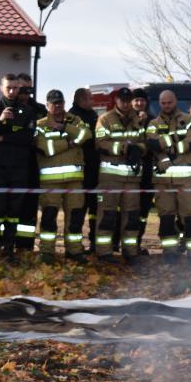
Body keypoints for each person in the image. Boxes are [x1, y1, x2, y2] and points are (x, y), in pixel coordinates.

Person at [0, 74, 37, 257]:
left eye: (15, 88)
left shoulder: (27, 111)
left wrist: (4, 137)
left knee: (14, 210)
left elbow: (28, 138)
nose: (12, 91)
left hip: (19, 167)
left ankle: (9, 249)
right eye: (9, 88)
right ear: (1, 88)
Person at [34, 89, 91, 262]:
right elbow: (46, 149)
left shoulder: (74, 120)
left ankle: (74, 251)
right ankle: (47, 252)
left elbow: (87, 135)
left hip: (74, 181)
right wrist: (70, 142)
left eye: (60, 103)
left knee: (74, 218)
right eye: (54, 103)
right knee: (49, 218)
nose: (58, 106)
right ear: (47, 105)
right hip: (51, 182)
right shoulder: (41, 124)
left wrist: (66, 128)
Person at [146, 92, 191, 262]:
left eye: (169, 102)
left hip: (185, 179)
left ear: (175, 101)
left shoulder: (189, 119)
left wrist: (169, 148)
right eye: (163, 103)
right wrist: (175, 145)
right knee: (166, 218)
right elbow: (152, 143)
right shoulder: (152, 123)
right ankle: (169, 253)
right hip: (162, 181)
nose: (166, 106)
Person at [93, 87, 146, 263]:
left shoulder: (138, 120)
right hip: (111, 177)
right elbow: (101, 143)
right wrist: (125, 148)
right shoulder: (105, 119)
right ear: (116, 100)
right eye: (122, 99)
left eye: (127, 99)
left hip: (132, 178)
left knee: (131, 217)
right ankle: (104, 252)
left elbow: (145, 143)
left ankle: (130, 252)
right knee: (107, 216)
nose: (125, 103)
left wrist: (138, 150)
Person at [14, 73, 45, 252]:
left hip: (34, 163)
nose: (25, 93)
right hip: (14, 163)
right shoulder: (9, 107)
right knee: (11, 207)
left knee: (29, 208)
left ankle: (25, 247)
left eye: (29, 89)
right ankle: (7, 244)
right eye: (22, 89)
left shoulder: (40, 109)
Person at [69, 88, 100, 251]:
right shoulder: (72, 116)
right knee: (79, 209)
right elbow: (83, 139)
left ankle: (94, 243)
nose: (92, 102)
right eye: (90, 99)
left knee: (95, 209)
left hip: (94, 170)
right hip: (80, 170)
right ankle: (75, 246)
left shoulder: (93, 115)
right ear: (81, 100)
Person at [130, 88, 154, 253]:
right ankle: (122, 243)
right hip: (128, 174)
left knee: (143, 211)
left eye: (142, 100)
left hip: (147, 173)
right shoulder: (123, 119)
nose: (139, 103)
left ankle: (137, 243)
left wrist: (145, 123)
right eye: (136, 100)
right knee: (127, 210)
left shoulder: (153, 121)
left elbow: (154, 142)